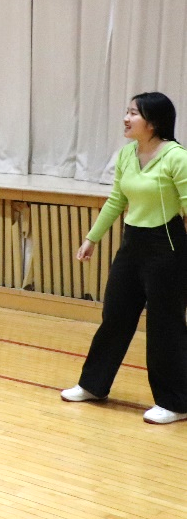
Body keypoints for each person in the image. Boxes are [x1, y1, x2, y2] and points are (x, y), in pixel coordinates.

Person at [61, 92, 187, 425]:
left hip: (168, 248)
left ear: (154, 122)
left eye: (134, 113)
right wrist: (91, 238)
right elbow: (117, 199)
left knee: (165, 326)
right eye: (127, 111)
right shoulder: (127, 154)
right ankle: (93, 385)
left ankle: (175, 403)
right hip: (132, 245)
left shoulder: (177, 157)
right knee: (115, 316)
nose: (126, 118)